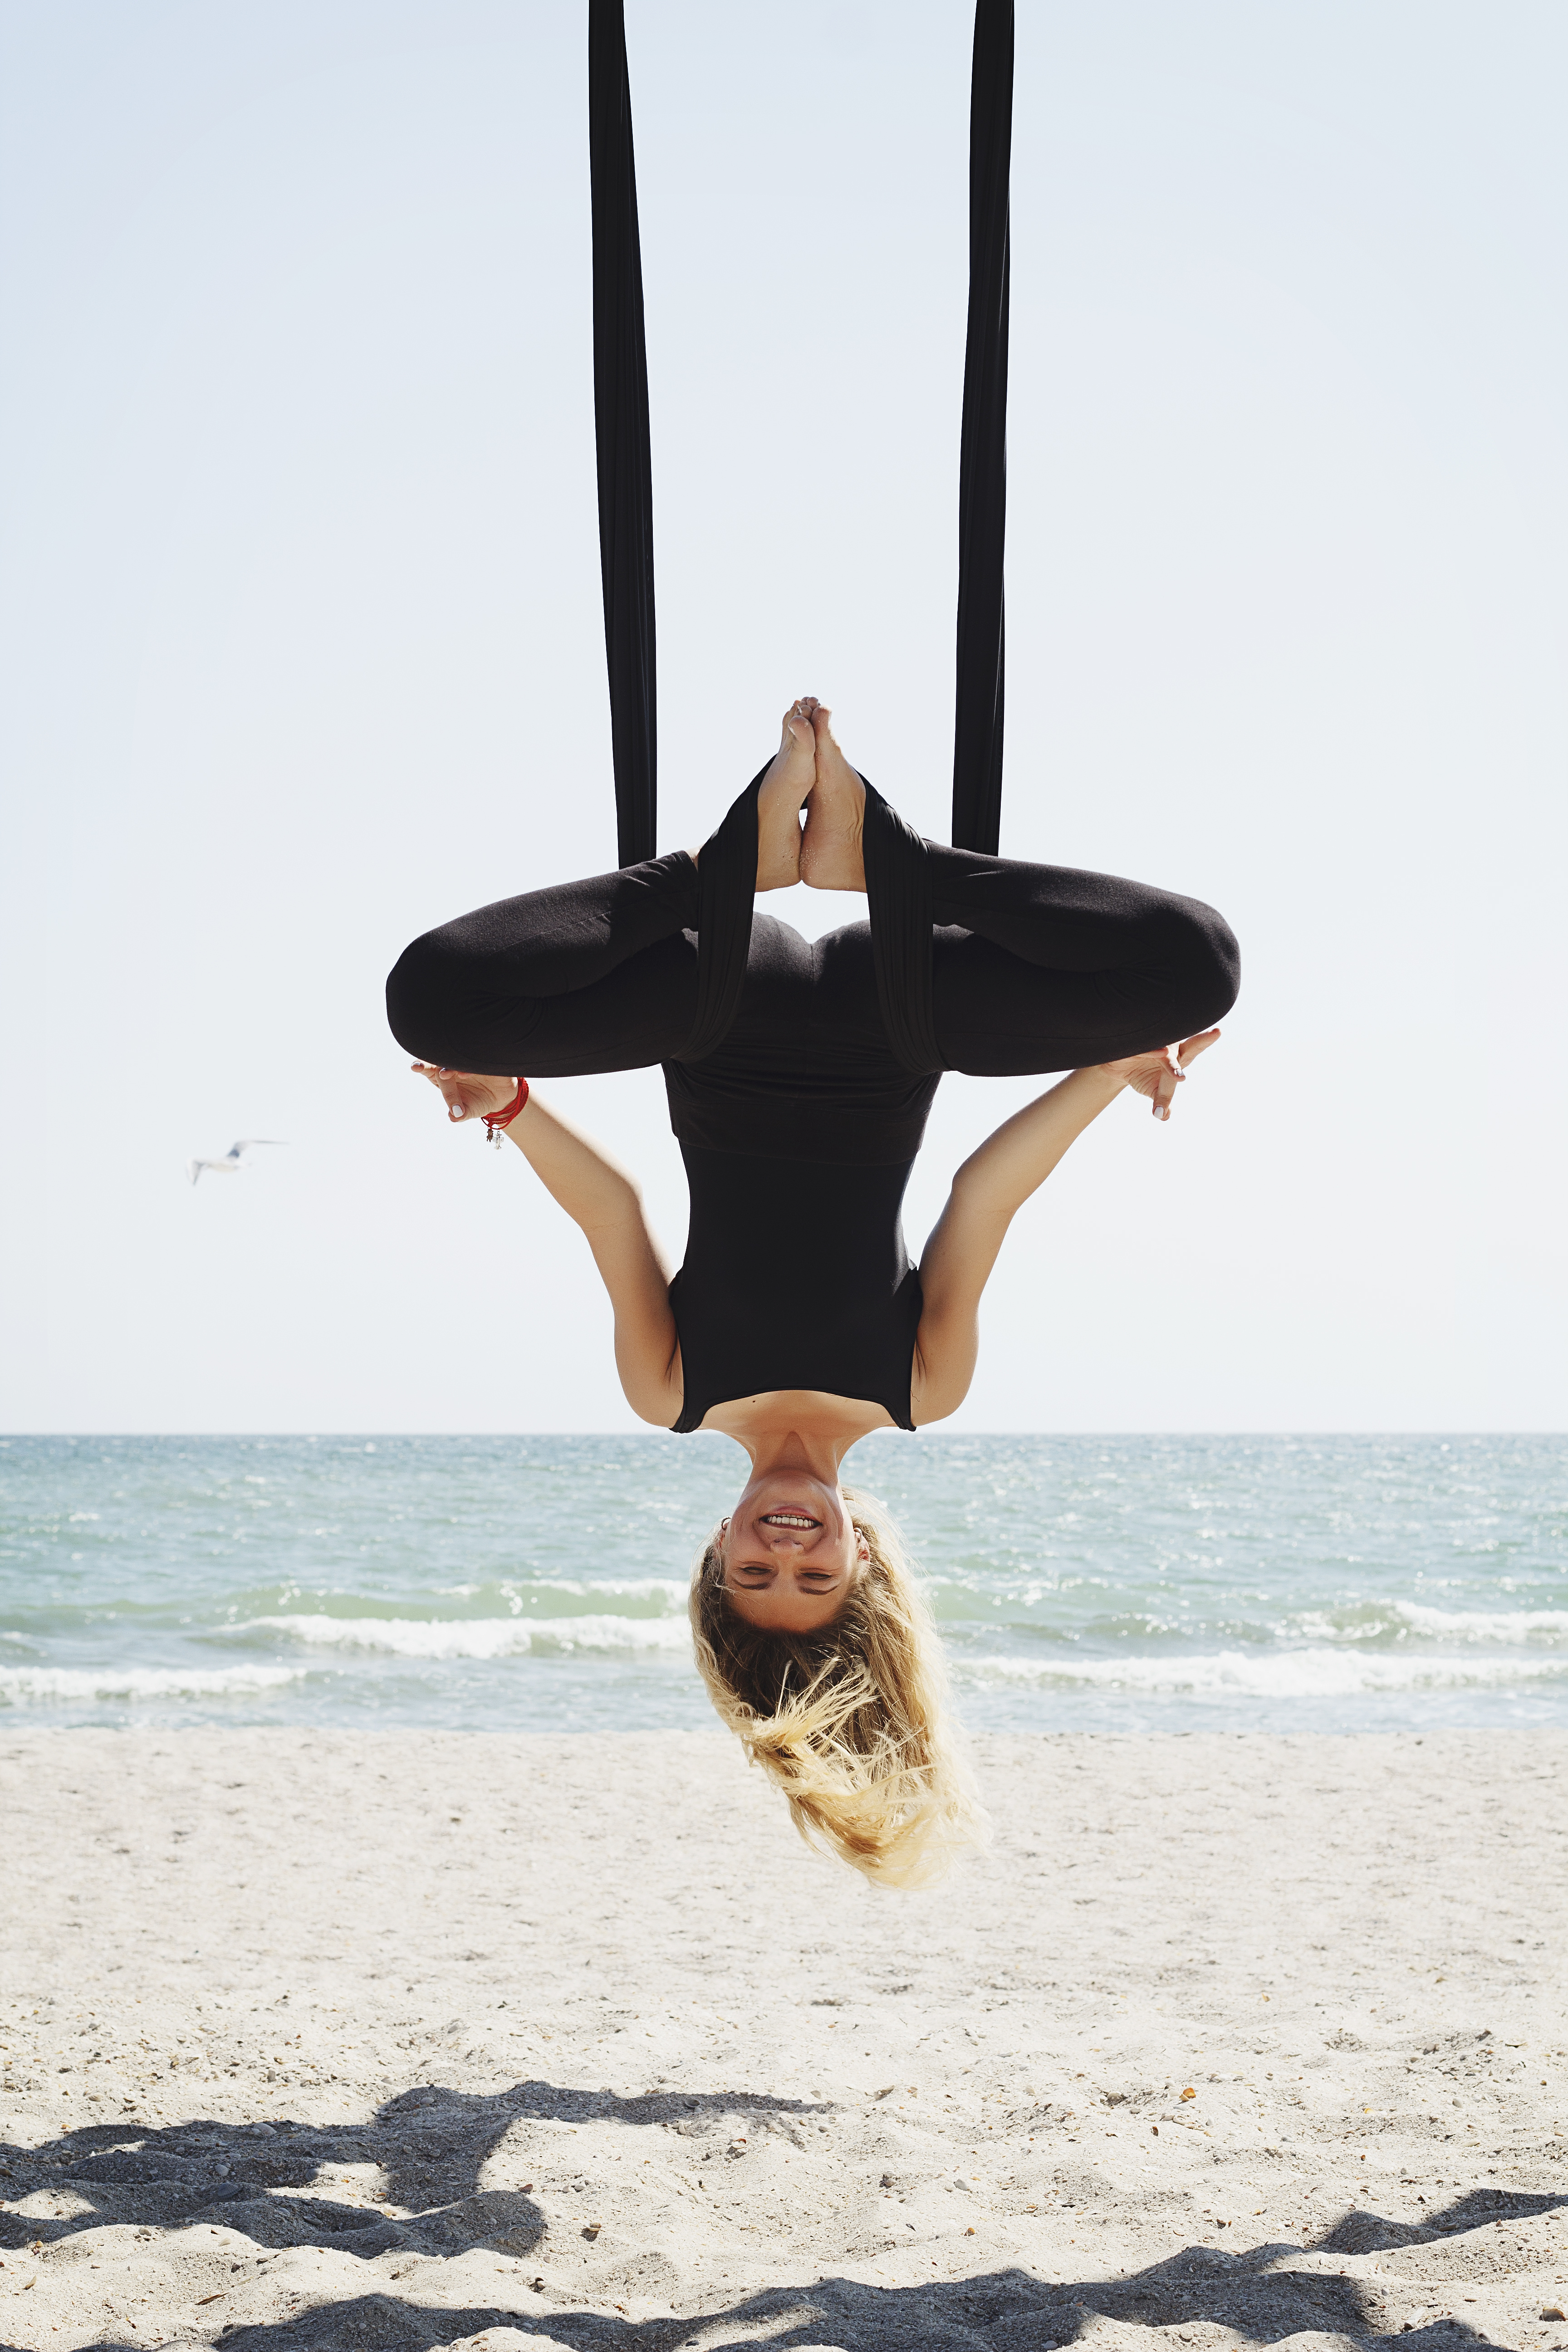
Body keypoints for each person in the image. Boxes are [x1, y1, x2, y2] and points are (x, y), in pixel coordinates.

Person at [386, 700, 1239, 1884]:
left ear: (715, 1551)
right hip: (905, 1011)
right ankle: (888, 866)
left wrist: (513, 1106)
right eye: (815, 1577)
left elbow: (613, 1216)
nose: (786, 1551)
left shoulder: (672, 1393)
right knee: (1196, 969)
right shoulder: (922, 1392)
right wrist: (1105, 1072)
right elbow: (985, 1197)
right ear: (866, 1565)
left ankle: (708, 876)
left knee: (429, 1001)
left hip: (715, 1002)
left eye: (753, 1572)